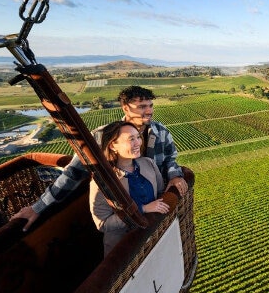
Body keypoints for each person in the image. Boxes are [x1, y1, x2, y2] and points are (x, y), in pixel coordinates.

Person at [11, 85, 188, 231]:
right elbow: (72, 174)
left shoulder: (160, 132)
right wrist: (39, 207)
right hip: (119, 216)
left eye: (150, 106)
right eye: (142, 107)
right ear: (125, 108)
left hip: (154, 210)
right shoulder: (100, 137)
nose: (149, 111)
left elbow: (170, 159)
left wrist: (175, 175)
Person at [90, 121, 170, 256]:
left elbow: (161, 193)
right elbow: (102, 223)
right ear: (113, 145)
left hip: (154, 239)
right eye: (131, 139)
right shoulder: (102, 181)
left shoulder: (148, 163)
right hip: (124, 251)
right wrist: (142, 209)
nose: (138, 143)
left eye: (138, 137)